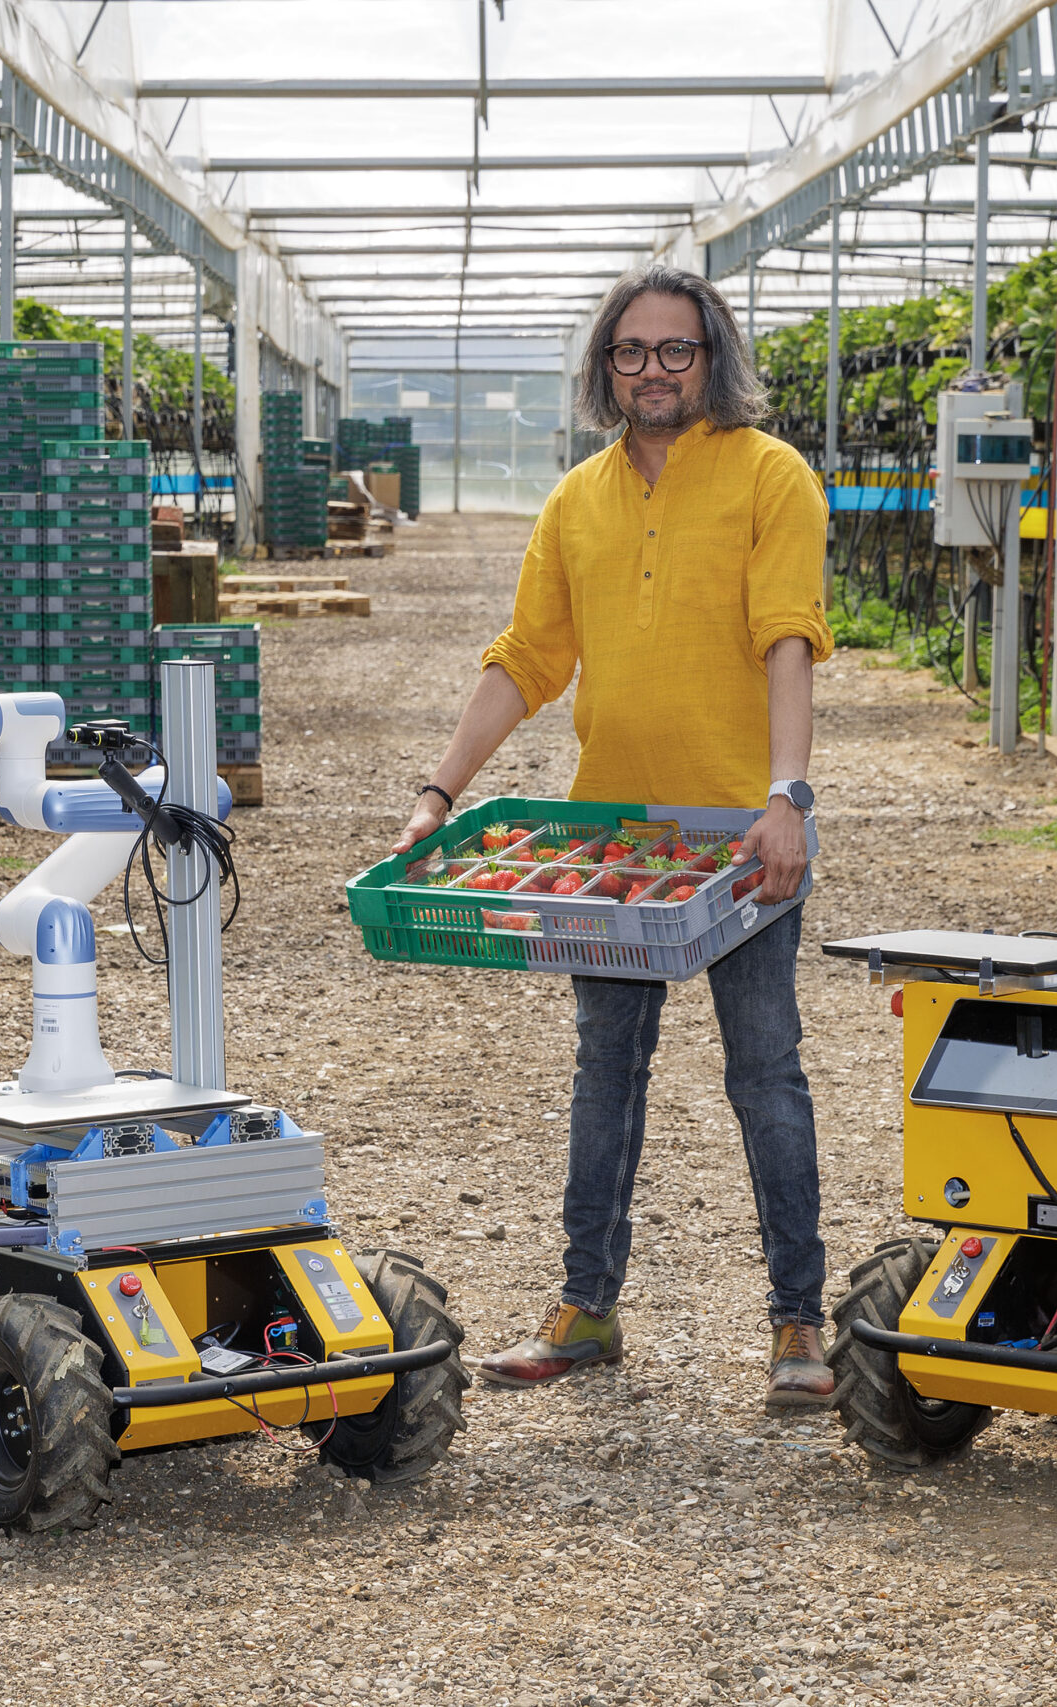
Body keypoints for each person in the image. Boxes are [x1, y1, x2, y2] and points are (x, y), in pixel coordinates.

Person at [390, 261, 836, 1410]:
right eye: (631, 353)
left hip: (742, 832)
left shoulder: (769, 477)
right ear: (605, 368)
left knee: (766, 1075)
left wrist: (786, 795)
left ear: (712, 359)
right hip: (614, 839)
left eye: (675, 351)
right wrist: (438, 793)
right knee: (607, 1075)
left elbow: (788, 637)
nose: (652, 371)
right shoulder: (575, 501)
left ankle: (798, 1323)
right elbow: (527, 660)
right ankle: (587, 1306)